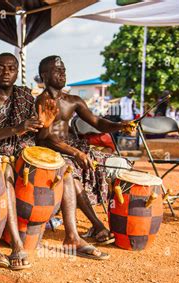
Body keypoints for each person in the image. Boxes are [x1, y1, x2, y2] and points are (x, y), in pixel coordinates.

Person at [0, 53, 109, 266]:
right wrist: (17, 129)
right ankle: (17, 245)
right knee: (7, 172)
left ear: (17, 72)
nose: (6, 72)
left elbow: (38, 130)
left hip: (26, 153)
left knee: (63, 169)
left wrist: (43, 123)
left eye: (11, 68)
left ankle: (72, 236)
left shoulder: (26, 97)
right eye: (0, 68)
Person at [36, 55, 133, 246]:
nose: (62, 72)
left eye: (63, 68)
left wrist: (120, 125)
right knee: (71, 173)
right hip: (53, 150)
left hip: (74, 147)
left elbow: (97, 122)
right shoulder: (42, 101)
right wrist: (76, 153)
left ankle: (121, 224)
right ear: (44, 75)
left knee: (114, 165)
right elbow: (46, 137)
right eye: (57, 70)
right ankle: (97, 225)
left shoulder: (74, 100)